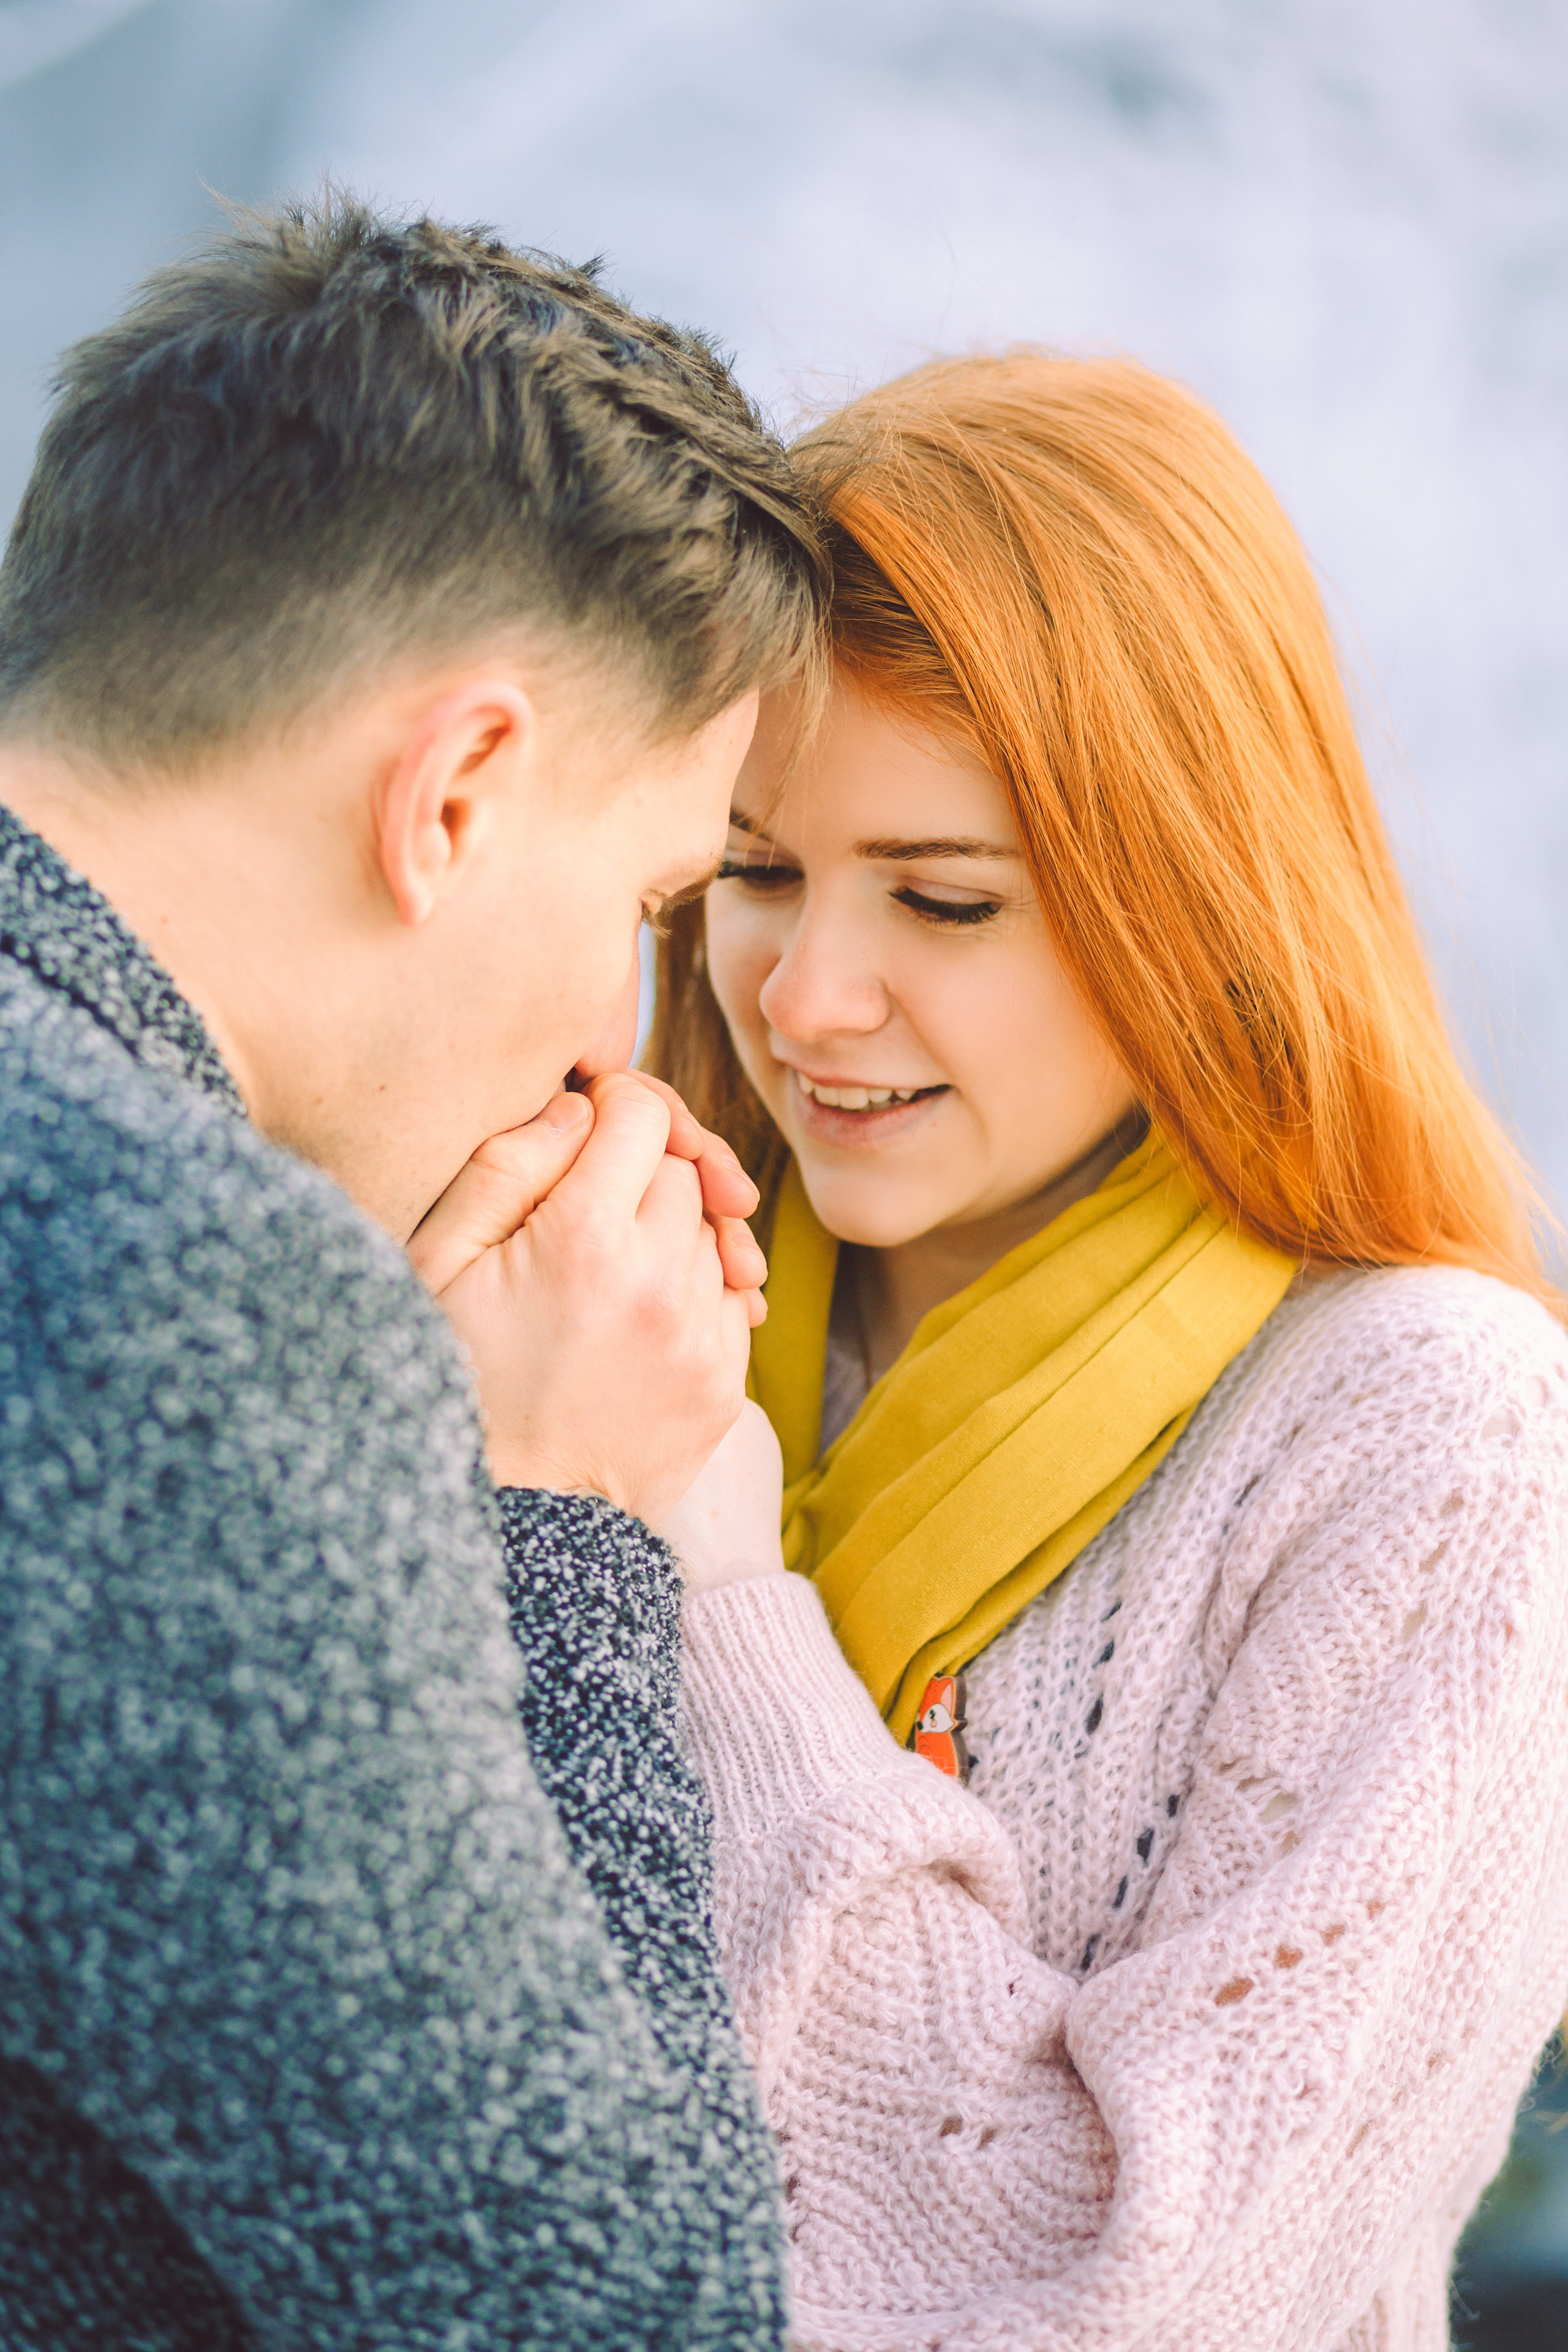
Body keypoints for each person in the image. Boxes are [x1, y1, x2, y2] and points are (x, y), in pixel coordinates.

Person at [648, 352, 1568, 2350]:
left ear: (1190, 898)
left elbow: (1156, 2286)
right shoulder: (611, 1284)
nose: (809, 995)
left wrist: (721, 1603)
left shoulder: (1436, 1442)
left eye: (944, 899)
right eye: (757, 867)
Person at [0, 192, 827, 2348]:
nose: (627, 1044)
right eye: (657, 902)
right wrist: (557, 1514)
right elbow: (619, 2324)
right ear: (456, 790)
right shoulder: (187, 1304)